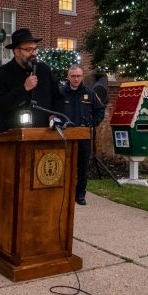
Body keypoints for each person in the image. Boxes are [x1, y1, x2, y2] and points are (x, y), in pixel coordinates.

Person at [0, 28, 63, 131]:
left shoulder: (44, 70)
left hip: (44, 134)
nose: (33, 53)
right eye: (29, 49)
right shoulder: (2, 73)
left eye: (35, 49)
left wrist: (54, 115)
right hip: (14, 136)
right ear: (17, 51)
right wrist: (24, 88)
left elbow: (58, 98)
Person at [60, 65, 105, 205]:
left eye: (78, 76)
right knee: (64, 165)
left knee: (83, 165)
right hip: (65, 137)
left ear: (82, 77)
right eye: (73, 76)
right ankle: (65, 192)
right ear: (68, 77)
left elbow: (100, 110)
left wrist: (92, 123)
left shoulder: (89, 93)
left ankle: (80, 194)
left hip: (83, 136)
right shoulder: (61, 93)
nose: (76, 78)